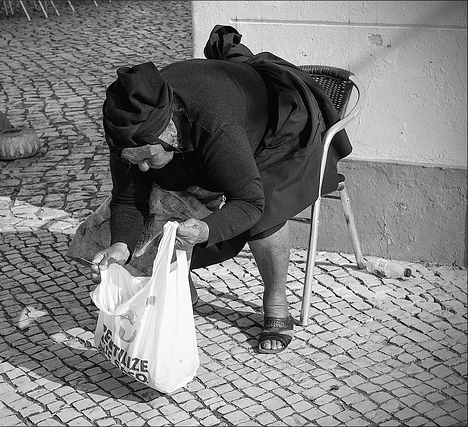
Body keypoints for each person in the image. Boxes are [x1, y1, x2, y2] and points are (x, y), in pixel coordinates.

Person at [87, 25, 352, 354]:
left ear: (168, 130)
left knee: (265, 211)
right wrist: (122, 245)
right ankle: (181, 289)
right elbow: (129, 199)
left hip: (275, 129)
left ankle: (276, 303)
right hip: (208, 138)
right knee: (143, 208)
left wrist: (206, 229)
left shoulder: (214, 124)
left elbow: (250, 201)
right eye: (133, 160)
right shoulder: (129, 131)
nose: (140, 167)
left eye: (146, 158)